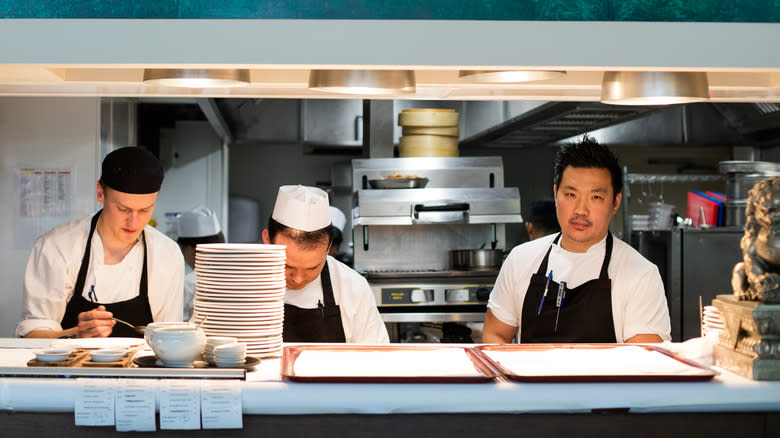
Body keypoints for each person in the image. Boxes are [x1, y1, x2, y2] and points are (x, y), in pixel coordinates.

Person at [483, 137, 671, 344]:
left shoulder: (641, 275)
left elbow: (643, 361)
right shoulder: (520, 260)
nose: (581, 210)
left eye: (596, 197)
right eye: (571, 194)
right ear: (556, 194)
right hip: (529, 377)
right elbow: (495, 335)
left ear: (615, 203)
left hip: (605, 377)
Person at [16, 147, 184, 338]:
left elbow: (170, 337)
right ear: (100, 192)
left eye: (145, 210)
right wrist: (76, 335)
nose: (134, 222)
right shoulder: (57, 247)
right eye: (123, 209)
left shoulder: (167, 254)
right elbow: (32, 338)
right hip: (67, 368)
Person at [262, 185, 389, 343]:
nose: (298, 279)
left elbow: (374, 358)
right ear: (267, 240)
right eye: (287, 266)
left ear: (328, 248)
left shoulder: (353, 288)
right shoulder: (239, 283)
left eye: (312, 268)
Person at [176, 207, 225, 321]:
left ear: (192, 251)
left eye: (182, 249)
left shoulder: (189, 283)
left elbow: (175, 323)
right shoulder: (236, 275)